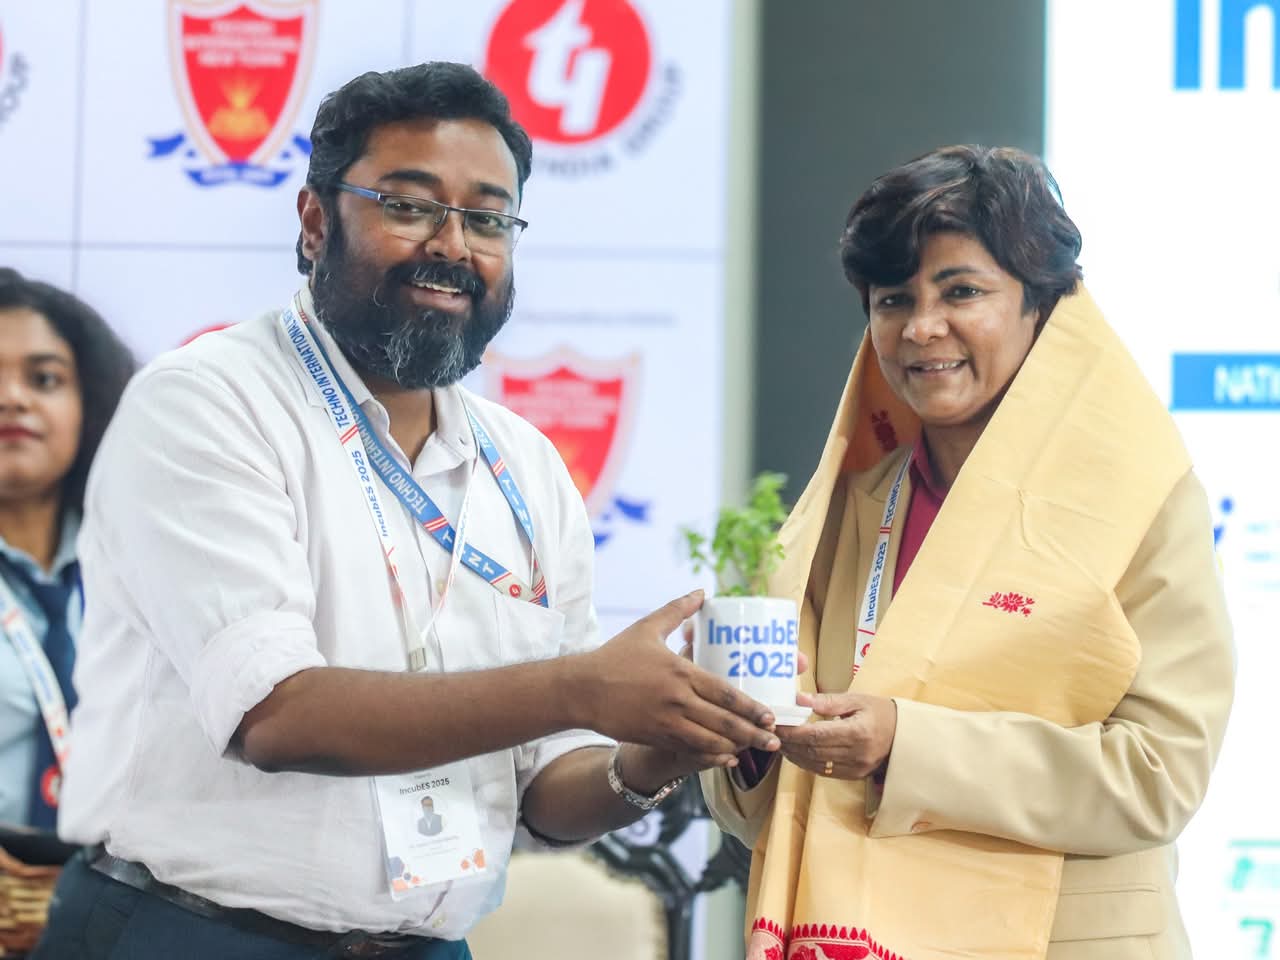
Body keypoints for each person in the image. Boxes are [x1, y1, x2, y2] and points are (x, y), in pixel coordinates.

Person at [35, 62, 780, 959]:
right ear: (316, 222)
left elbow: (546, 793)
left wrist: (661, 747)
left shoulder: (527, 467)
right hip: (192, 933)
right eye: (410, 205)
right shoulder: (208, 403)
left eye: (489, 218)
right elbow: (276, 715)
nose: (453, 245)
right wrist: (581, 687)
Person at [701, 146, 1233, 960]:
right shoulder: (843, 510)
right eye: (893, 300)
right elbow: (756, 810)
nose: (921, 328)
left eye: (961, 292)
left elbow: (1160, 774)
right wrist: (745, 741)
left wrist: (903, 747)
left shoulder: (1141, 502)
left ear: (1042, 308)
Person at [0, 269, 134, 835]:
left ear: (90, 401)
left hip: (116, 878)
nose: (12, 399)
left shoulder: (141, 560)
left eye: (44, 379)